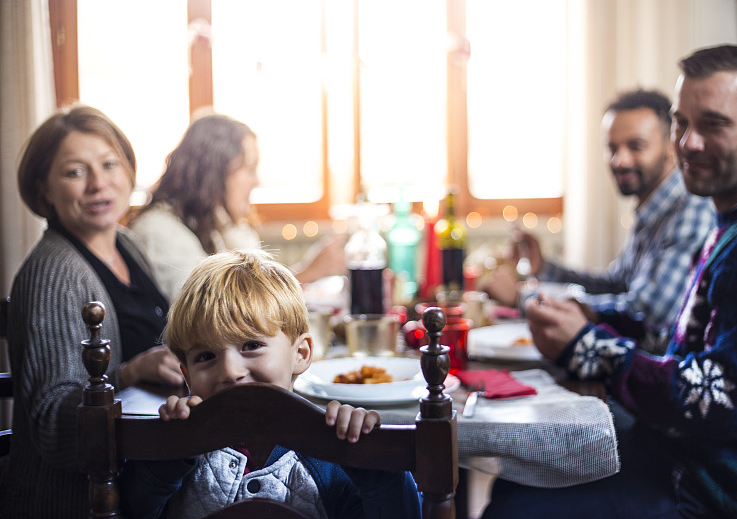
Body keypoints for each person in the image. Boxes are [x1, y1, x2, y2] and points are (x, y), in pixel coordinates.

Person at [481, 45, 737, 518]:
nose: (688, 143)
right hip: (682, 460)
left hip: (717, 490)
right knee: (516, 480)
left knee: (516, 507)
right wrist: (589, 315)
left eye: (713, 124)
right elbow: (682, 342)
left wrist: (587, 345)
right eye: (681, 123)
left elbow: (718, 397)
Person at [118, 249, 422, 518]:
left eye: (251, 346)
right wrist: (167, 450)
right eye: (206, 356)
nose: (230, 371)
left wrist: (372, 463)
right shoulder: (180, 451)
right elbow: (131, 509)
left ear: (300, 354)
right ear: (186, 377)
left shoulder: (332, 448)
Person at [2, 105, 184, 518]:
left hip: (145, 477)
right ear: (44, 188)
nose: (99, 184)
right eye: (75, 172)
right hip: (75, 502)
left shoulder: (125, 242)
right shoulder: (53, 272)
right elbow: (51, 425)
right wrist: (130, 371)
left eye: (109, 165)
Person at [481, 90, 715, 342]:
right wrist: (545, 268)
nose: (619, 160)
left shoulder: (691, 210)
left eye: (636, 146)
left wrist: (525, 298)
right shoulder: (650, 208)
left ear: (671, 147)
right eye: (612, 148)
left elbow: (645, 312)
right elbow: (614, 285)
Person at [128, 112, 346, 302]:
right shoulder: (158, 230)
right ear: (214, 173)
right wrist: (309, 273)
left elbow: (255, 291)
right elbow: (213, 312)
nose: (256, 181)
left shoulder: (217, 223)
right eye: (249, 169)